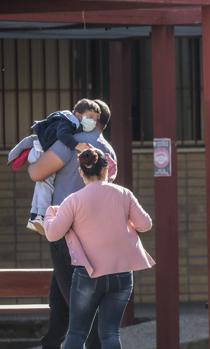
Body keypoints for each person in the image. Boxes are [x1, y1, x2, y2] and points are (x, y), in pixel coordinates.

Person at [43, 148, 154, 349]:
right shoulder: (124, 194)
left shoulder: (73, 200)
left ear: (81, 173)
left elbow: (53, 234)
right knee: (111, 333)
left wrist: (50, 214)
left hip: (88, 274)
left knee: (77, 332)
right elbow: (146, 225)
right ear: (106, 169)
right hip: (121, 273)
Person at [28, 99, 116, 349]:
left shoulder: (72, 144)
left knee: (80, 305)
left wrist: (35, 157)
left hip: (66, 233)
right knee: (61, 302)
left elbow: (36, 172)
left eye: (81, 114)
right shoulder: (109, 150)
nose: (77, 118)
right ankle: (51, 343)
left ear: (93, 118)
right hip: (94, 235)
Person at [13, 99, 100, 234]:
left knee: (44, 183)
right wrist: (77, 146)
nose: (93, 121)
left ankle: (36, 216)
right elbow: (62, 135)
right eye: (90, 117)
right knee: (45, 182)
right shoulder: (68, 123)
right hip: (38, 152)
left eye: (95, 119)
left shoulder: (73, 125)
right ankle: (39, 216)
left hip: (39, 151)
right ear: (77, 114)